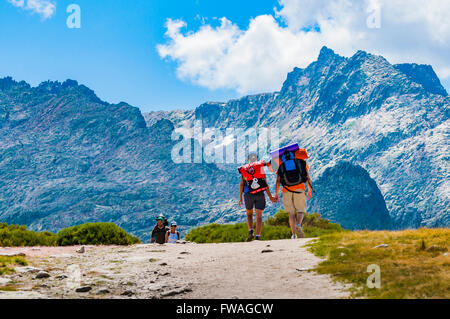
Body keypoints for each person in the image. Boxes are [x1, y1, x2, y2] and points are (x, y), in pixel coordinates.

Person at [273, 147, 313, 239]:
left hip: (286, 190)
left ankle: (294, 234)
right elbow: (307, 176)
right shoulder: (300, 161)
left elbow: (278, 181)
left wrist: (276, 194)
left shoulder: (280, 163)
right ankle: (299, 224)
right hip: (299, 188)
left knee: (291, 213)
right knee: (301, 210)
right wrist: (309, 189)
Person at [238, 153, 276, 242]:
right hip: (260, 194)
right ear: (256, 160)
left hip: (248, 194)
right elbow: (265, 184)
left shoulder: (245, 169)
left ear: (248, 160)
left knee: (249, 214)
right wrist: (270, 196)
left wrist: (240, 197)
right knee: (259, 217)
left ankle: (251, 230)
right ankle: (258, 236)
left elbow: (241, 184)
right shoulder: (260, 168)